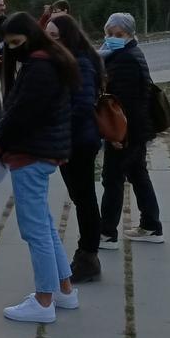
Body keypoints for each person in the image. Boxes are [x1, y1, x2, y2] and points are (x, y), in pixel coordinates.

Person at [0, 12, 78, 323]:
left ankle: (43, 301)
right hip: (42, 151)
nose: (13, 50)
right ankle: (65, 289)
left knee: (34, 229)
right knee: (45, 223)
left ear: (30, 35)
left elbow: (22, 114)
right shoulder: (49, 60)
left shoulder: (40, 67)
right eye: (8, 45)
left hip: (30, 153)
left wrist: (0, 142)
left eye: (16, 43)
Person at [98, 13, 163, 247]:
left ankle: (106, 233)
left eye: (118, 35)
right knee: (138, 175)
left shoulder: (125, 59)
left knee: (112, 179)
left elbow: (125, 104)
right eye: (109, 34)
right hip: (137, 129)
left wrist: (118, 136)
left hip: (127, 131)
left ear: (129, 34)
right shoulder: (126, 53)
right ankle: (151, 226)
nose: (112, 38)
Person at [46, 15, 102, 282]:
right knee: (82, 197)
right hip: (74, 140)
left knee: (85, 198)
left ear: (68, 37)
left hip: (79, 142)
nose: (49, 41)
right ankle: (88, 254)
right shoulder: (68, 61)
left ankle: (88, 257)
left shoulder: (79, 62)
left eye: (54, 37)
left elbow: (80, 107)